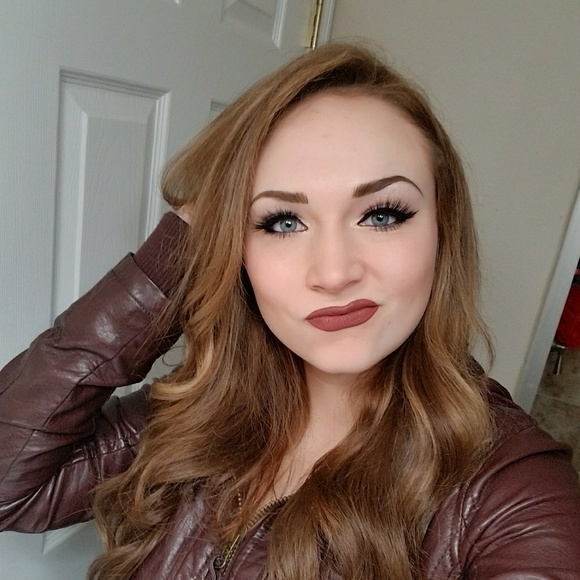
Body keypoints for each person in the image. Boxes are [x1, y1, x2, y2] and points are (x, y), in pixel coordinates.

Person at [0, 42, 579, 580]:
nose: (333, 272)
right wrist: (180, 247)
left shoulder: (514, 494)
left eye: (382, 215)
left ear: (442, 228)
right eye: (282, 221)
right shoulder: (194, 415)